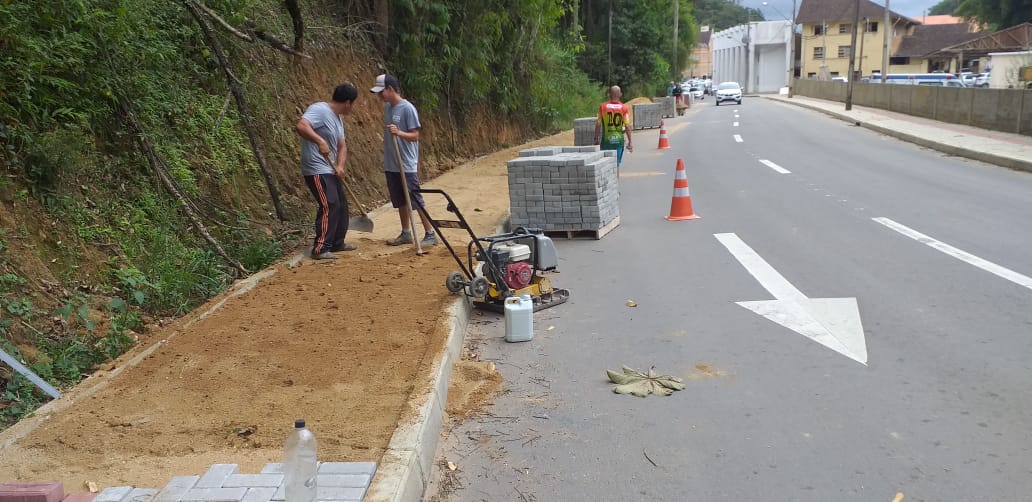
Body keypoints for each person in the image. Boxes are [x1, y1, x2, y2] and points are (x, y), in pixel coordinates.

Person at [370, 73, 437, 247]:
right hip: (392, 162)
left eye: (381, 92)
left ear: (390, 89)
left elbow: (415, 136)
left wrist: (399, 133)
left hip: (406, 163)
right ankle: (406, 232)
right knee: (399, 199)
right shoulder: (388, 108)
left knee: (414, 198)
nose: (379, 96)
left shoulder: (407, 109)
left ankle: (430, 233)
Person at [295, 83, 358, 260]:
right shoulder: (319, 110)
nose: (352, 108)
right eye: (352, 104)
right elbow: (301, 126)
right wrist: (319, 141)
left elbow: (342, 145)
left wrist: (340, 166)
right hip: (316, 169)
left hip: (330, 169)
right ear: (347, 102)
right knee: (329, 204)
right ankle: (320, 248)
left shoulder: (338, 119)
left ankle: (337, 243)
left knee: (341, 206)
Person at [593, 85, 633, 169]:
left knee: (606, 166)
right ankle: (616, 181)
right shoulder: (624, 108)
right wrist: (630, 141)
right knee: (616, 166)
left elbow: (598, 124)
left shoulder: (603, 107)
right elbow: (627, 126)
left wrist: (596, 139)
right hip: (619, 141)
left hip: (606, 142)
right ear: (620, 94)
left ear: (609, 94)